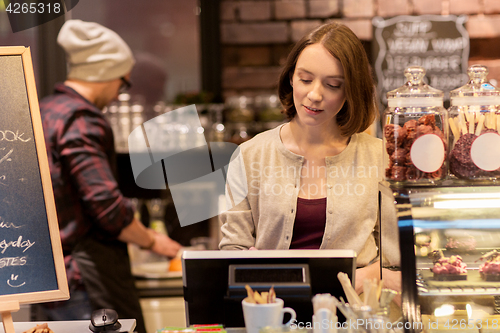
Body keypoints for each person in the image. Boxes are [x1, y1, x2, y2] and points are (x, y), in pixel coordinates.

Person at [219, 22, 401, 299]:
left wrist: (371, 274)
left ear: (350, 91)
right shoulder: (248, 155)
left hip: (354, 314)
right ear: (291, 78)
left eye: (332, 85)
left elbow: (396, 259)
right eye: (305, 79)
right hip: (272, 316)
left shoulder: (379, 156)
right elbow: (232, 251)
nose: (315, 95)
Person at [37, 20, 182, 333]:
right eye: (123, 83)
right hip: (85, 283)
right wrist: (155, 240)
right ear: (105, 73)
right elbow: (107, 208)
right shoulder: (82, 120)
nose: (118, 94)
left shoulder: (44, 110)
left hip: (49, 276)